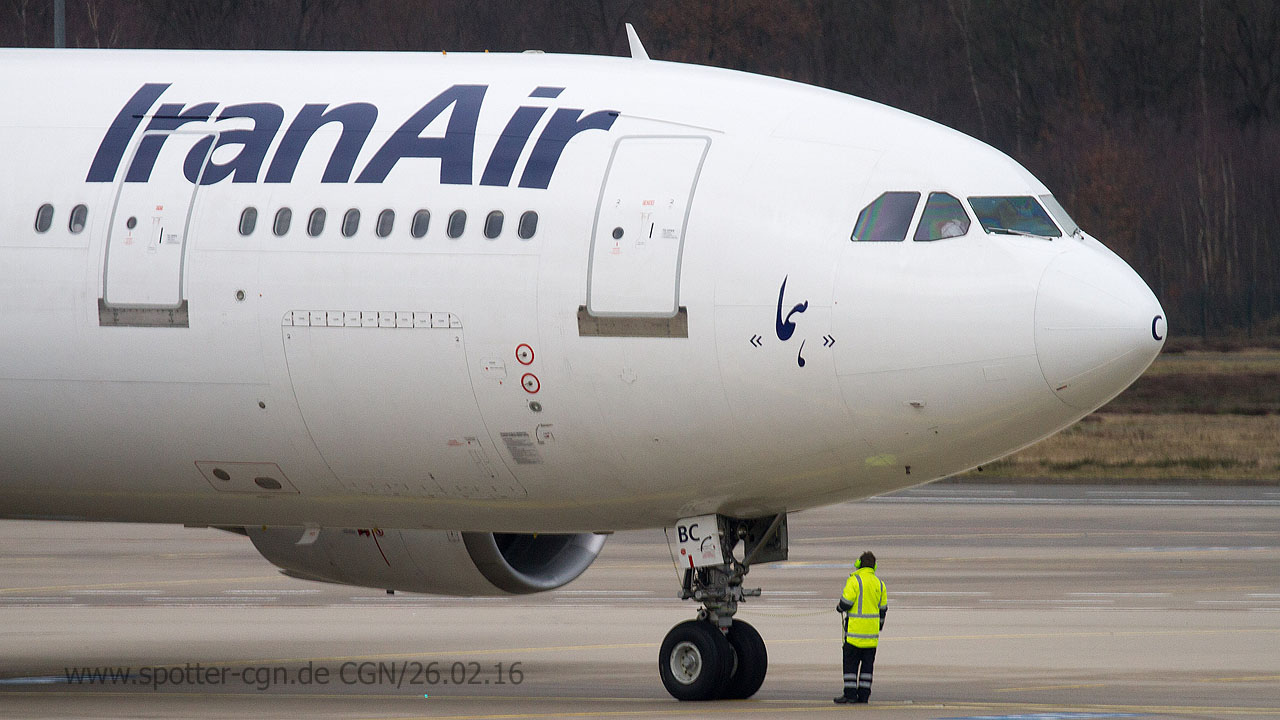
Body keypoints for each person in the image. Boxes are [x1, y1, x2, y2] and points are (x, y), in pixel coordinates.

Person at [834, 550, 887, 704]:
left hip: (854, 635)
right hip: (871, 637)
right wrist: (878, 627)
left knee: (850, 666)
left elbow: (846, 602)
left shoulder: (855, 581)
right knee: (867, 668)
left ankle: (850, 694)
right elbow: (883, 609)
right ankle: (864, 696)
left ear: (859, 564)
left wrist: (839, 608)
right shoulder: (880, 584)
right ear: (874, 566)